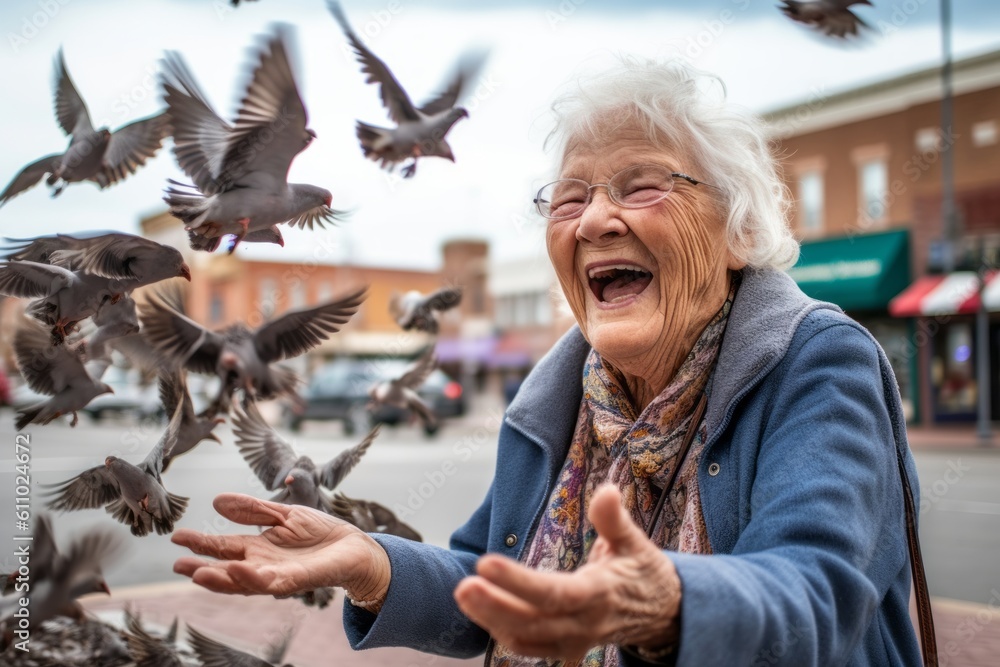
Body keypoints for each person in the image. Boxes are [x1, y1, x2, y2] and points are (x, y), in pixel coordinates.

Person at [172, 57, 923, 666]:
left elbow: (816, 591)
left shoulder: (817, 362)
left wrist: (669, 605)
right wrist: (371, 561)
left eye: (643, 185)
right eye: (569, 198)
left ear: (736, 232)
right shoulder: (560, 395)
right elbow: (495, 583)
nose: (596, 219)